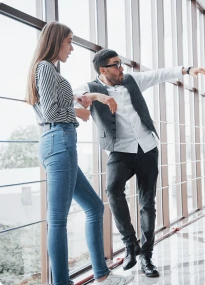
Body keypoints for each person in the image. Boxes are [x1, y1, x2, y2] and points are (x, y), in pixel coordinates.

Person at [73, 49, 205, 276]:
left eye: (121, 63)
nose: (121, 68)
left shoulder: (131, 81)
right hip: (120, 151)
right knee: (112, 189)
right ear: (102, 70)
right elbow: (72, 95)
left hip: (147, 147)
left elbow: (159, 74)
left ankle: (147, 257)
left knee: (147, 203)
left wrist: (187, 70)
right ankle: (130, 245)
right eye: (116, 65)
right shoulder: (90, 87)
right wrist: (96, 97)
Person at [26, 22, 133, 285]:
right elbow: (51, 113)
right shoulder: (45, 68)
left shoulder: (48, 70)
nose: (72, 48)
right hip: (59, 141)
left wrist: (83, 99)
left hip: (61, 142)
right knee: (58, 220)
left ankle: (102, 274)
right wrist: (78, 112)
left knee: (94, 207)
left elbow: (57, 102)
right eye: (69, 42)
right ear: (55, 41)